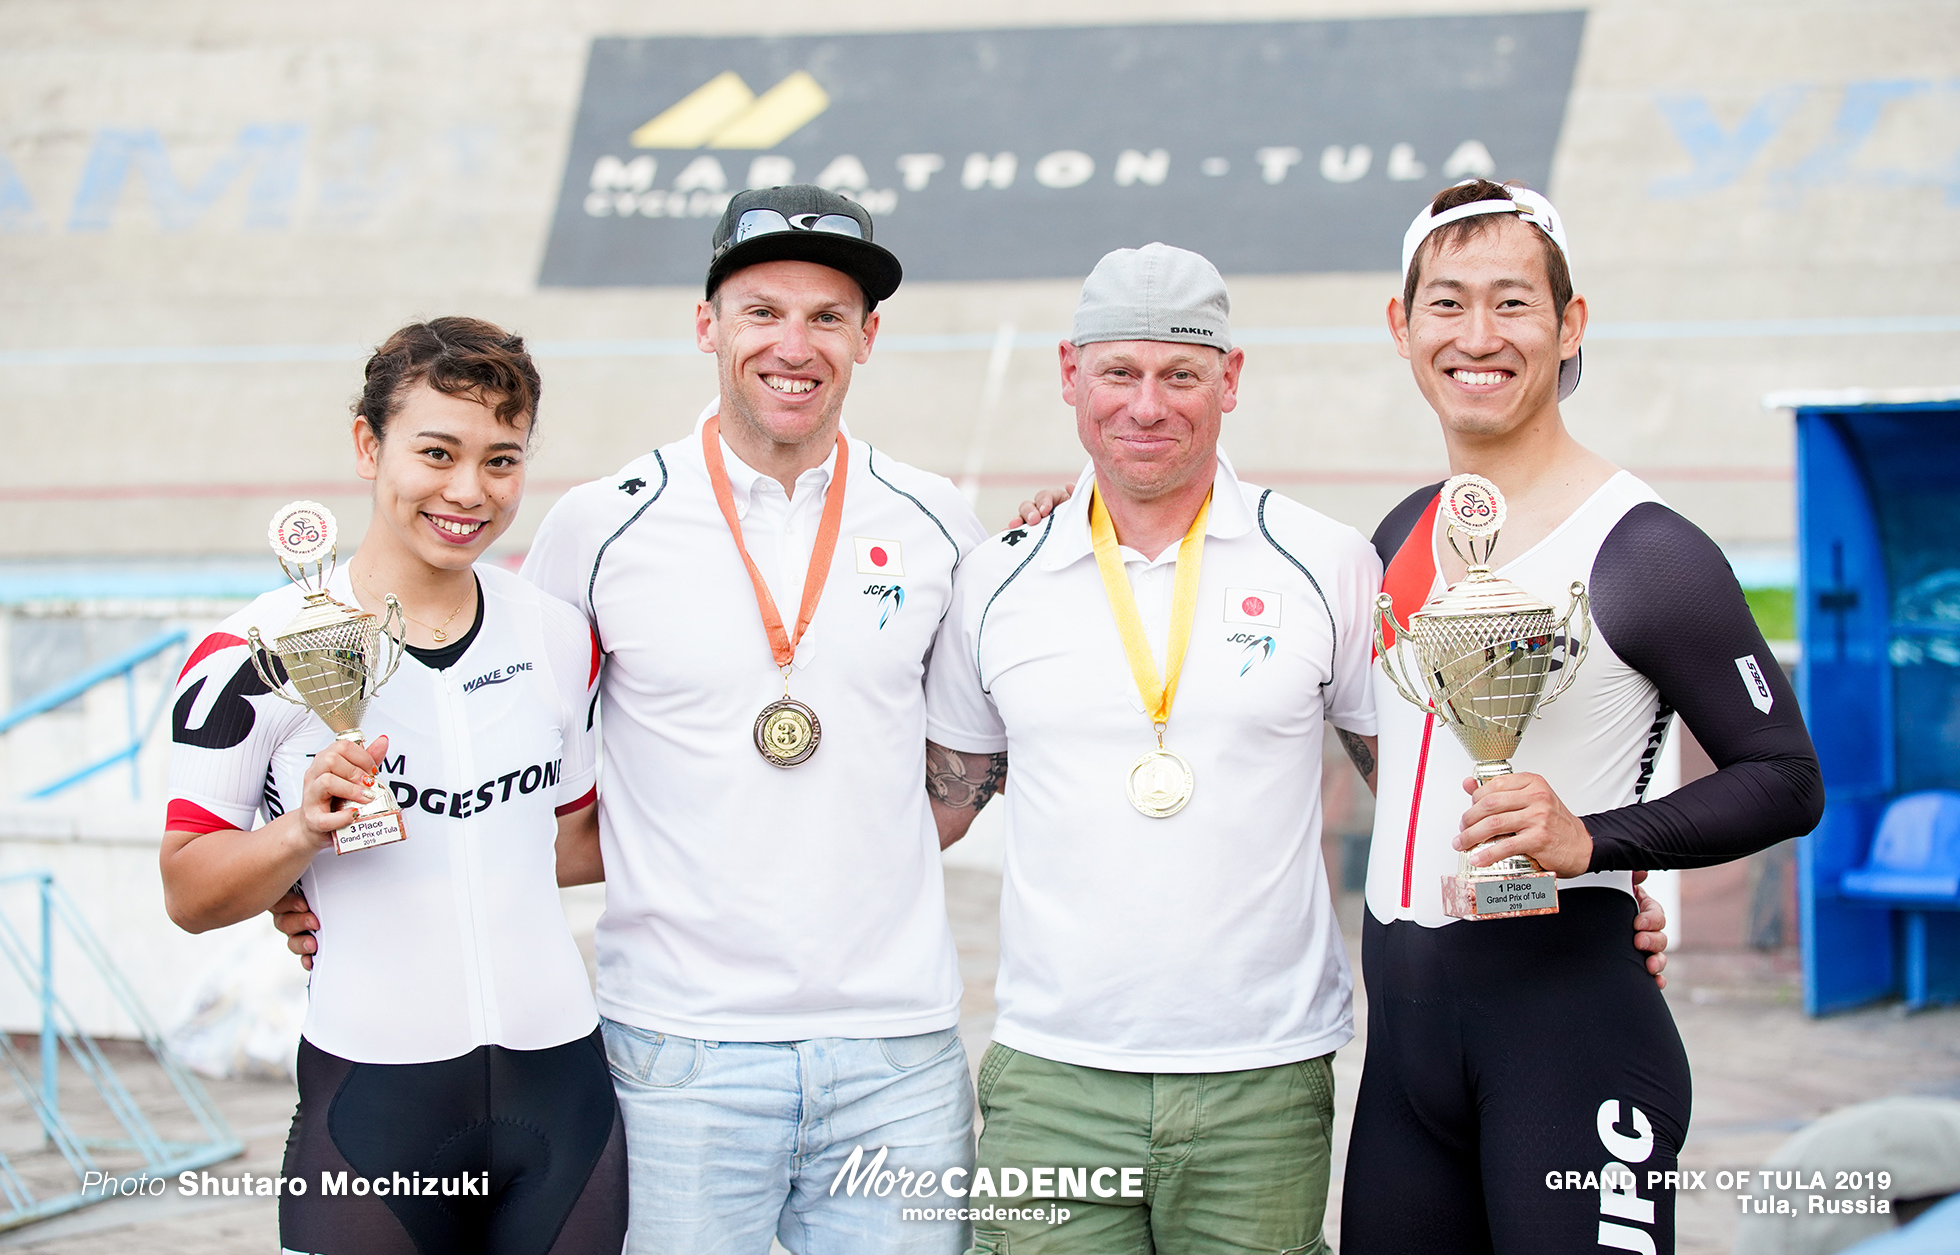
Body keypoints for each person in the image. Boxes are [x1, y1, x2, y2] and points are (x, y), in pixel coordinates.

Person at [1338, 178, 1825, 1254]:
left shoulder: (1644, 549)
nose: (1478, 335)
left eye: (1512, 303)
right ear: (1401, 326)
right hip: (1406, 1058)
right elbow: (1398, 743)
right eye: (1447, 303)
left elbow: (1786, 775)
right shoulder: (1404, 529)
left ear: (1569, 325)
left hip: (1570, 1049)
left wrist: (1595, 846)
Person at [513, 185, 986, 1253]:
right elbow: (522, 774)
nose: (794, 344)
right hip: (678, 1050)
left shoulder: (935, 519)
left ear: (868, 337)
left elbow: (962, 765)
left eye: (827, 317)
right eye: (762, 310)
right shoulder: (600, 522)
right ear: (707, 326)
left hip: (896, 1055)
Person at [922, 243, 1378, 1254]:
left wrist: (1596, 891)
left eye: (1180, 374)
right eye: (1118, 372)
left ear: (1231, 381)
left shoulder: (1325, 560)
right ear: (1068, 374)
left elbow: (1411, 783)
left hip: (1262, 1074)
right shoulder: (995, 576)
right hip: (1053, 1076)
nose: (1146, 405)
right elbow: (940, 805)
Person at [160, 318, 626, 1255]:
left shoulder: (556, 634)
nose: (468, 491)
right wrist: (296, 841)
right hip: (374, 1113)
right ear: (370, 445)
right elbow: (187, 891)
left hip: (565, 1104)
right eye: (437, 453)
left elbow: (579, 844)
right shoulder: (253, 651)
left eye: (502, 460)